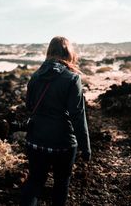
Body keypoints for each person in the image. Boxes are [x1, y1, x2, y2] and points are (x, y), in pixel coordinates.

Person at [20, 36, 91, 206]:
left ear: (49, 52)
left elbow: (29, 106)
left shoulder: (36, 76)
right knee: (61, 183)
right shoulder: (72, 79)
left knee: (35, 182)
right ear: (69, 53)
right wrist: (85, 147)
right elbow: (78, 116)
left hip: (36, 140)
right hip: (63, 143)